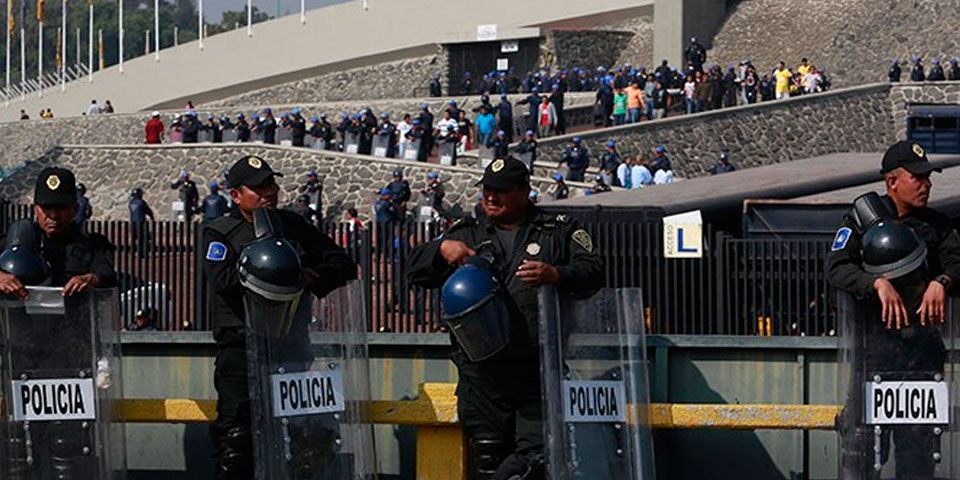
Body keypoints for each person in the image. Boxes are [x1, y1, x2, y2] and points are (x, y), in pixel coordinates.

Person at [406, 156, 603, 480]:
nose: (490, 198)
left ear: (524, 191)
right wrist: (440, 250)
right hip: (482, 378)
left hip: (536, 370)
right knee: (488, 458)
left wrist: (558, 274)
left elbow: (594, 271)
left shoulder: (558, 230)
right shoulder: (467, 233)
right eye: (486, 190)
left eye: (500, 190)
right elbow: (414, 272)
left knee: (535, 460)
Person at [203, 155, 356, 479]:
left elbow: (342, 264)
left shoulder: (293, 225)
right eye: (258, 188)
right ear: (236, 195)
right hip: (240, 350)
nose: (268, 192)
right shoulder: (220, 232)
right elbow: (223, 280)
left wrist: (312, 276)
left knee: (307, 435)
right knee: (237, 438)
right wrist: (274, 271)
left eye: (271, 184)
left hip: (291, 347)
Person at [828, 141, 960, 478]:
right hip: (872, 360)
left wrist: (941, 281)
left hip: (922, 360)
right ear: (891, 182)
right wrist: (875, 284)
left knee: (918, 461)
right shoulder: (861, 222)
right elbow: (837, 268)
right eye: (917, 178)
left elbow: (958, 263)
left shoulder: (939, 226)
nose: (926, 184)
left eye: (927, 177)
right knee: (860, 458)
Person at [0, 167, 116, 299]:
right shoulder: (13, 243)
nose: (54, 215)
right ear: (36, 209)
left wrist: (90, 279)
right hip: (24, 318)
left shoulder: (94, 245)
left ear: (75, 209)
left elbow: (106, 275)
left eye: (61, 208)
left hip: (75, 317)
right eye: (47, 208)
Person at [128, 187, 155, 258]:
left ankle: (132, 252)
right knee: (143, 239)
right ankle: (143, 253)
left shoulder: (131, 203)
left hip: (133, 223)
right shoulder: (142, 202)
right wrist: (152, 218)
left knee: (134, 239)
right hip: (141, 223)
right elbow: (148, 211)